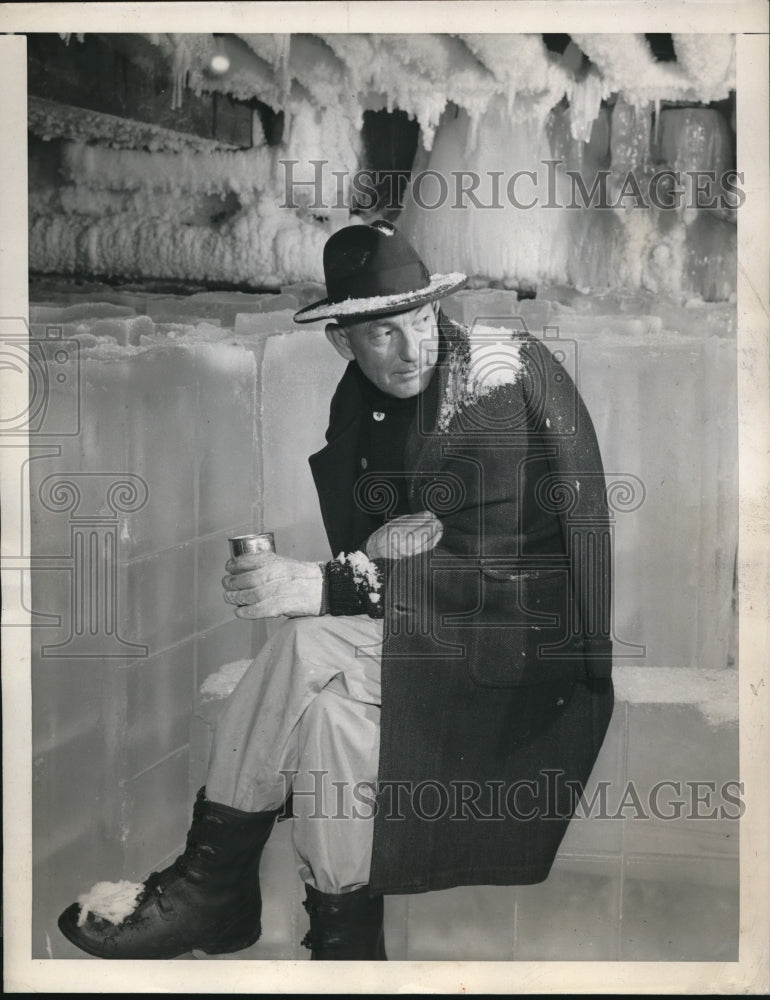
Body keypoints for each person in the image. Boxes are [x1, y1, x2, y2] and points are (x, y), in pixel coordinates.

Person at [58, 220, 614, 961]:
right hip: (436, 637)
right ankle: (347, 951)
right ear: (342, 342)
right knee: (332, 717)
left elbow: (490, 577)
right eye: (382, 334)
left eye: (419, 321)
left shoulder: (494, 389)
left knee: (308, 640)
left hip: (524, 650)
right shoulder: (362, 402)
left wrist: (322, 583)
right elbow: (392, 547)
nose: (410, 349)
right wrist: (377, 556)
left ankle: (212, 885)